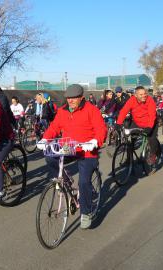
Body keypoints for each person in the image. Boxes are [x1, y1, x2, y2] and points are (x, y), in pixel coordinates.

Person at [37, 84, 107, 229]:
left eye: (74, 98)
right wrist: (45, 139)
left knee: (83, 181)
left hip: (87, 149)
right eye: (68, 98)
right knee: (50, 157)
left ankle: (86, 212)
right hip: (69, 146)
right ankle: (65, 181)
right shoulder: (63, 111)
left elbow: (101, 128)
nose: (70, 101)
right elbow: (55, 127)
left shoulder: (91, 110)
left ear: (82, 98)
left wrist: (94, 141)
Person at [116, 86, 161, 165]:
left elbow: (152, 115)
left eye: (145, 94)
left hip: (150, 123)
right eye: (141, 94)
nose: (144, 96)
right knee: (131, 141)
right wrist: (118, 123)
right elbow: (124, 111)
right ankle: (129, 159)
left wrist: (149, 127)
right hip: (137, 122)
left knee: (152, 138)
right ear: (135, 95)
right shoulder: (131, 100)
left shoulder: (150, 100)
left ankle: (153, 155)